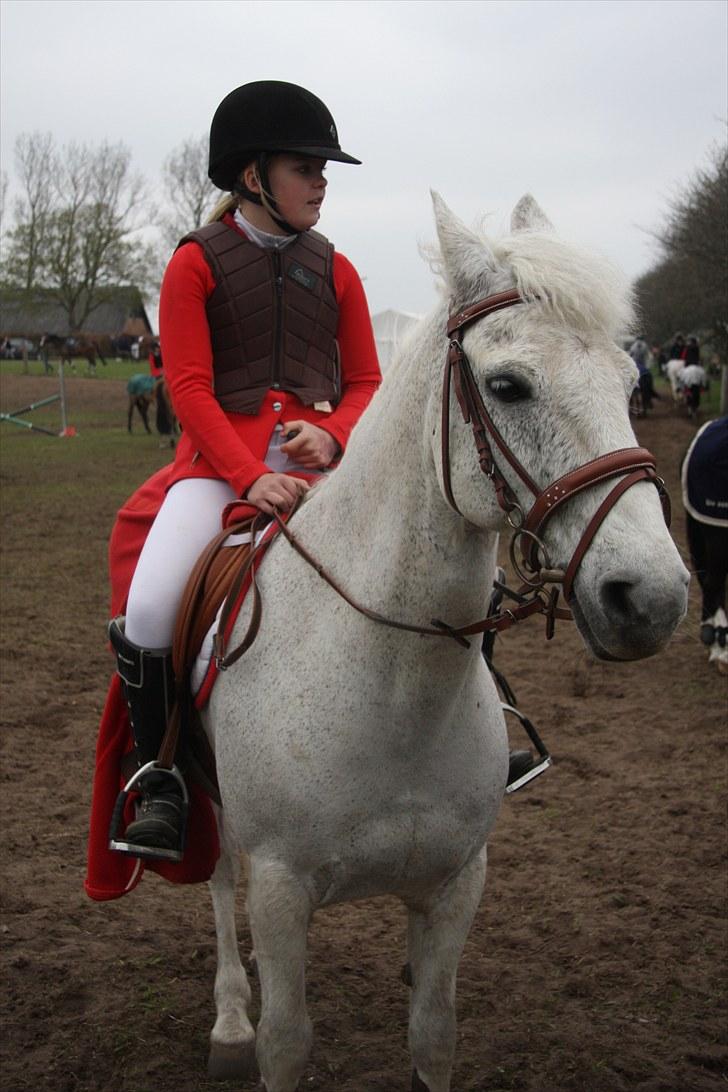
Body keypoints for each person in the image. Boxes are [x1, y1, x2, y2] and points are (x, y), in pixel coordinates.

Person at [107, 81, 382, 862]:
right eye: (306, 166)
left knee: (417, 552)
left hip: (315, 469)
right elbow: (187, 387)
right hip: (213, 471)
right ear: (253, 175)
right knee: (153, 605)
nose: (323, 181)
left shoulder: (339, 271)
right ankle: (158, 775)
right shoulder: (194, 262)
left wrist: (331, 438)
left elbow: (365, 382)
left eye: (325, 168)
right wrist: (245, 473)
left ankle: (484, 723)